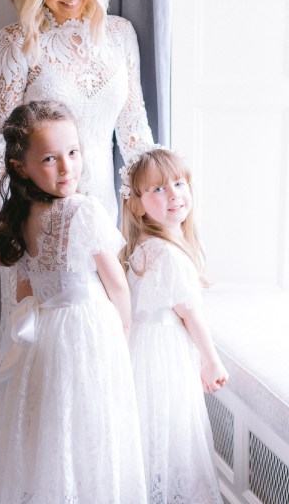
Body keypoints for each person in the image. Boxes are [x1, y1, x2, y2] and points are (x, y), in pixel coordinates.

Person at [0, 0, 153, 399]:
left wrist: (153, 222)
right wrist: (16, 228)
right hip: (43, 222)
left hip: (107, 215)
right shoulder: (15, 43)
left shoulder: (120, 34)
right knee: (54, 359)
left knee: (108, 348)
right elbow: (1, 148)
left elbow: (136, 132)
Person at [0, 100, 147, 504]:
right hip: (88, 330)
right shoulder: (83, 210)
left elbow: (24, 292)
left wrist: (26, 342)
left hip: (43, 335)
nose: (67, 167)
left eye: (73, 153)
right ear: (22, 167)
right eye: (50, 158)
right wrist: (121, 336)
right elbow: (117, 286)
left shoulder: (17, 215)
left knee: (50, 428)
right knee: (89, 426)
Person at [119, 143, 229, 504]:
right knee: (172, 425)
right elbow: (190, 312)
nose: (173, 195)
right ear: (136, 204)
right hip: (163, 352)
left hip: (144, 347)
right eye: (158, 189)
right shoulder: (167, 252)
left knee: (151, 426)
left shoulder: (147, 245)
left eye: (179, 184)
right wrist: (211, 360)